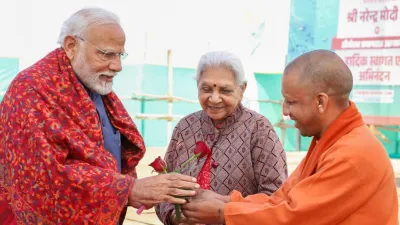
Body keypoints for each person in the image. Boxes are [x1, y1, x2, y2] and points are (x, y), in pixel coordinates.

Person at [0, 7, 199, 225]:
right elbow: (44, 178)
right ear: (71, 46)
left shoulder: (93, 87)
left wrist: (133, 189)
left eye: (120, 54)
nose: (118, 66)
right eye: (106, 54)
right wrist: (128, 190)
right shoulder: (31, 90)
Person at [180, 50, 398, 225]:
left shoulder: (352, 153)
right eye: (206, 88)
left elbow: (293, 216)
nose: (284, 111)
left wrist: (223, 213)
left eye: (291, 102)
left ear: (320, 102)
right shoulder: (328, 141)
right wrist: (225, 201)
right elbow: (281, 199)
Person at [156, 51, 288, 225]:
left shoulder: (258, 129)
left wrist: (224, 214)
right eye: (206, 89)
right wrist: (174, 217)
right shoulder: (185, 127)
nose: (214, 98)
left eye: (225, 90)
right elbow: (164, 189)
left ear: (242, 89)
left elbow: (276, 197)